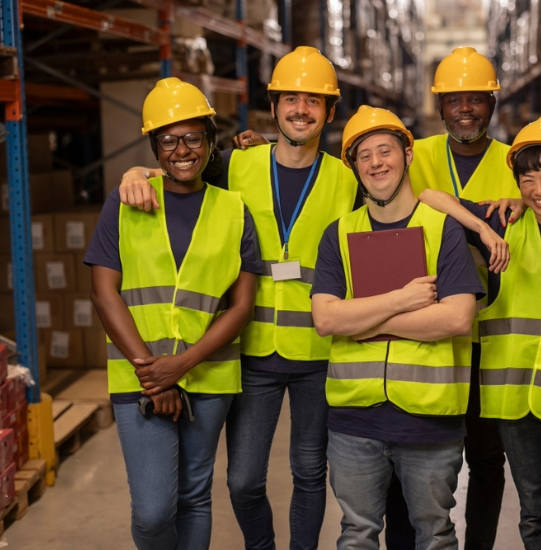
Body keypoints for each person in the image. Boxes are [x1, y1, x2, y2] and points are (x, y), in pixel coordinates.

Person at [115, 47, 359, 550]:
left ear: (330, 112)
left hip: (320, 352)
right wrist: (133, 175)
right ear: (273, 107)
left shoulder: (348, 179)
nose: (300, 109)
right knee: (244, 480)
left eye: (314, 101)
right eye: (290, 98)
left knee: (310, 472)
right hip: (250, 351)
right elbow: (181, 172)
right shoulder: (235, 164)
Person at [311, 105, 507, 550]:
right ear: (354, 167)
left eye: (386, 150)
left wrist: (362, 319)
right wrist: (403, 300)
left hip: (428, 421)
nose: (377, 162)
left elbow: (457, 317)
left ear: (408, 155)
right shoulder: (337, 233)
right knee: (356, 534)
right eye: (365, 155)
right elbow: (325, 318)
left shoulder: (444, 230)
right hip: (354, 420)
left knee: (435, 536)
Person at [420, 117, 541, 550]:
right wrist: (483, 228)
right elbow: (427, 196)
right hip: (514, 397)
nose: (539, 190)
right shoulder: (506, 222)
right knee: (534, 514)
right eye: (527, 180)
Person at [85, 77, 261, 550]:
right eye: (168, 140)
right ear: (153, 147)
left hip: (209, 377)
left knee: (194, 496)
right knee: (153, 511)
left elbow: (242, 305)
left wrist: (182, 366)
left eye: (192, 137)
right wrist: (155, 375)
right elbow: (105, 294)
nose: (181, 149)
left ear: (209, 142)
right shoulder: (126, 202)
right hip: (140, 380)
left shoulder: (233, 209)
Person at [405, 46, 519, 550]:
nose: (466, 108)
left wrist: (528, 201)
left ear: (492, 105)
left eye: (477, 99)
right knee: (420, 452)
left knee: (487, 455)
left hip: (489, 337)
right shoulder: (416, 154)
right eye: (455, 100)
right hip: (424, 330)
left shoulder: (514, 162)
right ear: (440, 106)